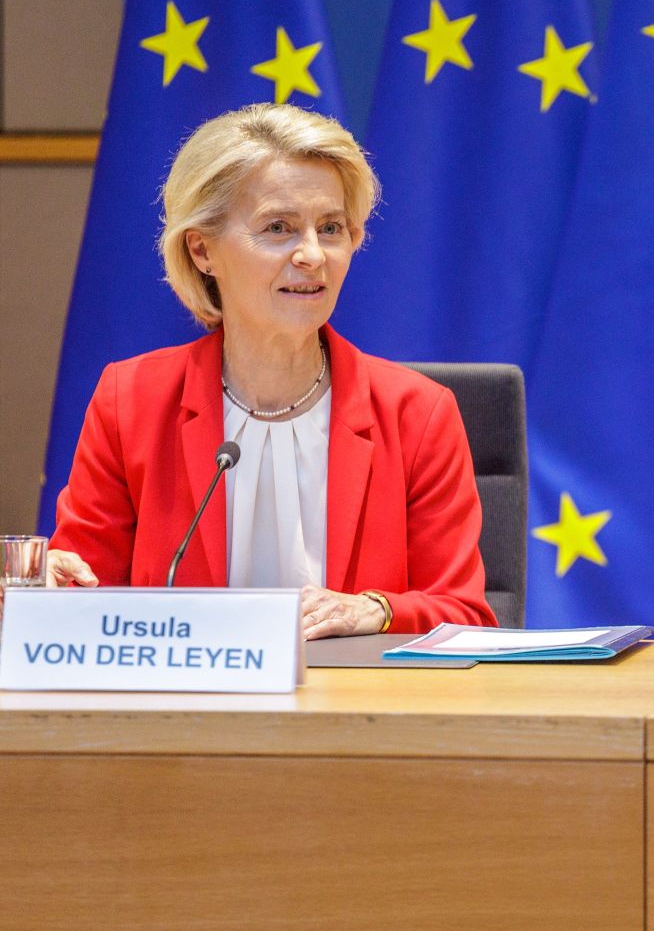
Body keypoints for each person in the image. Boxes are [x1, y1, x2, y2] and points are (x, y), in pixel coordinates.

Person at [46, 103, 497, 638]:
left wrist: (377, 611)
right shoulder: (132, 402)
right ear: (203, 249)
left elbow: (465, 615)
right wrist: (50, 589)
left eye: (330, 228)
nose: (312, 255)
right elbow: (83, 597)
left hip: (357, 693)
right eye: (279, 228)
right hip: (188, 691)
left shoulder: (416, 414)